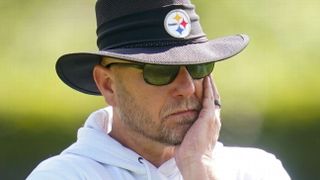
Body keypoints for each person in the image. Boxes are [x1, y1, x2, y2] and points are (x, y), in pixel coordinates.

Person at [27, 0, 291, 179]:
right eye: (160, 71)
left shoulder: (256, 170)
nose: (187, 88)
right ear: (108, 85)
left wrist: (200, 169)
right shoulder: (64, 176)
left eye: (199, 67)